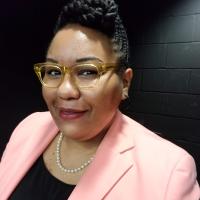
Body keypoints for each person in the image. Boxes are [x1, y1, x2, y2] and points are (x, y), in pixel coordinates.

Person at [0, 0, 199, 199]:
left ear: (125, 83)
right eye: (53, 71)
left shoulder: (169, 172)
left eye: (87, 72)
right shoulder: (28, 127)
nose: (65, 90)